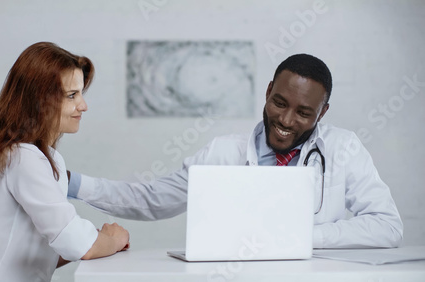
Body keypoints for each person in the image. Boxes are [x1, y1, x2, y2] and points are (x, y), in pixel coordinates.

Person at [67, 54, 403, 249]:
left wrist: (299, 236)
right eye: (279, 103)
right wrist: (74, 183)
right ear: (268, 91)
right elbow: (152, 200)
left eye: (304, 113)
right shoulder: (223, 152)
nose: (285, 120)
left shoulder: (344, 148)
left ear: (323, 113)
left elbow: (387, 227)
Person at [0, 42, 129, 282]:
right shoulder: (23, 158)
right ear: (39, 101)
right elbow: (77, 243)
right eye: (71, 95)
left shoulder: (26, 155)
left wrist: (95, 241)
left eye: (81, 94)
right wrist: (113, 239)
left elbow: (34, 249)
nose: (83, 106)